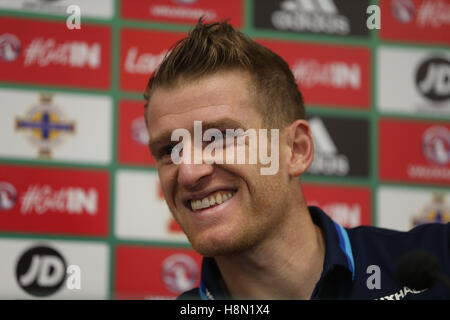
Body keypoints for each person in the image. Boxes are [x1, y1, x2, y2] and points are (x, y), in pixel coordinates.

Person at [143, 19, 450, 300]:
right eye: (170, 150)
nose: (189, 172)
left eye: (219, 138)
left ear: (296, 149)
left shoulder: (439, 262)